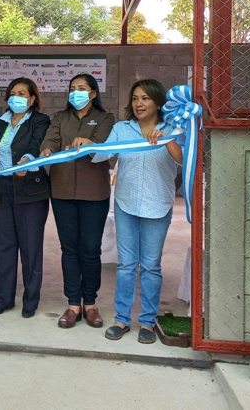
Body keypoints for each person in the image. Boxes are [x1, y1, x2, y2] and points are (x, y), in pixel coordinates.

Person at [94, 79, 183, 343]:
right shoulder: (122, 129)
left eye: (145, 98)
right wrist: (86, 145)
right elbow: (101, 154)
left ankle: (147, 321)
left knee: (152, 266)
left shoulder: (173, 128)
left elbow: (183, 158)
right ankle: (122, 319)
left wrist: (166, 140)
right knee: (126, 265)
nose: (139, 103)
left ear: (158, 102)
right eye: (135, 98)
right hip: (126, 203)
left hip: (158, 205)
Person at [39, 73, 115, 329]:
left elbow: (105, 147)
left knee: (91, 248)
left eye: (82, 88)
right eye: (72, 88)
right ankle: (73, 303)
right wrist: (46, 151)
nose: (76, 93)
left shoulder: (105, 118)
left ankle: (90, 303)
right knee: (69, 249)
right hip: (61, 192)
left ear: (93, 93)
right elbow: (50, 139)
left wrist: (90, 143)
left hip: (94, 193)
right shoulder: (60, 117)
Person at [0, 78, 50, 318]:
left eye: (22, 93)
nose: (16, 97)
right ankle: (4, 298)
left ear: (31, 99)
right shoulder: (1, 122)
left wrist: (29, 161)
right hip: (3, 189)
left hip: (30, 189)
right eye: (12, 93)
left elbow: (36, 144)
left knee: (30, 248)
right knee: (4, 247)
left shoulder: (40, 120)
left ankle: (30, 300)